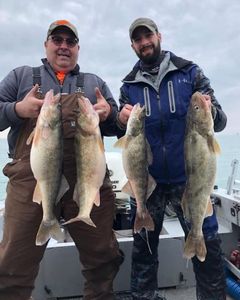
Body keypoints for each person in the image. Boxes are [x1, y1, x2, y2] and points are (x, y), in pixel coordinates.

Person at [0, 19, 123, 300]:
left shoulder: (95, 83)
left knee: (103, 258)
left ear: (78, 48)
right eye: (58, 40)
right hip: (31, 182)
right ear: (46, 45)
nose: (64, 46)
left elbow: (118, 126)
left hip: (87, 180)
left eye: (70, 42)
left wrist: (109, 115)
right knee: (12, 266)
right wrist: (18, 109)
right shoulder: (21, 77)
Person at [117, 17, 227, 300]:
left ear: (159, 36)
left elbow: (221, 120)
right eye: (138, 39)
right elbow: (122, 127)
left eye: (148, 36)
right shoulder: (128, 85)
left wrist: (209, 110)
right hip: (147, 180)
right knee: (143, 250)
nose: (144, 42)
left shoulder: (190, 73)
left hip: (189, 178)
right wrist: (120, 118)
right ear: (132, 45)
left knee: (208, 246)